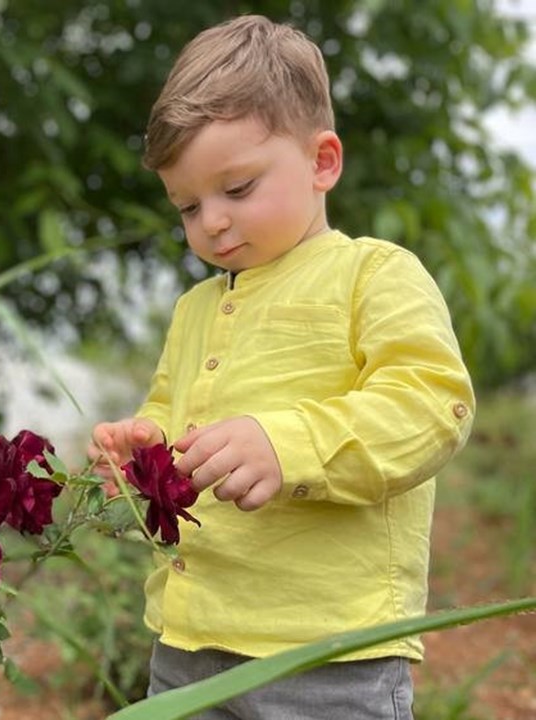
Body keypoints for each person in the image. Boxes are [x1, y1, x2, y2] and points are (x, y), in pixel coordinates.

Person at [87, 14, 475, 720]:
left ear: (323, 161)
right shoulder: (195, 309)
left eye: (237, 190)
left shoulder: (372, 275)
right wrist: (141, 447)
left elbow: (432, 405)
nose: (212, 222)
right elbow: (172, 413)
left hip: (329, 654)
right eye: (188, 205)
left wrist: (287, 444)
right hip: (187, 642)